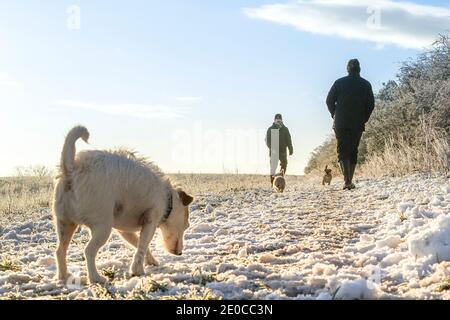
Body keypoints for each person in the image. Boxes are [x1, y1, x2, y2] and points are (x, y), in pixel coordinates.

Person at [326, 59, 375, 190]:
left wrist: (334, 114)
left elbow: (329, 100)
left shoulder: (339, 82)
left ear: (348, 69)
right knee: (353, 151)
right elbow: (371, 105)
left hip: (340, 123)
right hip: (357, 123)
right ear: (359, 69)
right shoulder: (366, 84)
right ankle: (349, 181)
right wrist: (364, 118)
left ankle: (347, 181)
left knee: (342, 151)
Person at [265, 114, 293, 184]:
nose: (278, 120)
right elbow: (267, 140)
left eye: (279, 119)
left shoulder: (285, 129)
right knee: (273, 167)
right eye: (276, 119)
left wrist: (290, 148)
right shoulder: (271, 128)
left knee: (284, 165)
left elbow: (288, 139)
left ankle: (281, 180)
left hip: (283, 150)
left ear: (281, 120)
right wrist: (272, 148)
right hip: (274, 151)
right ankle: (273, 183)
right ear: (274, 120)